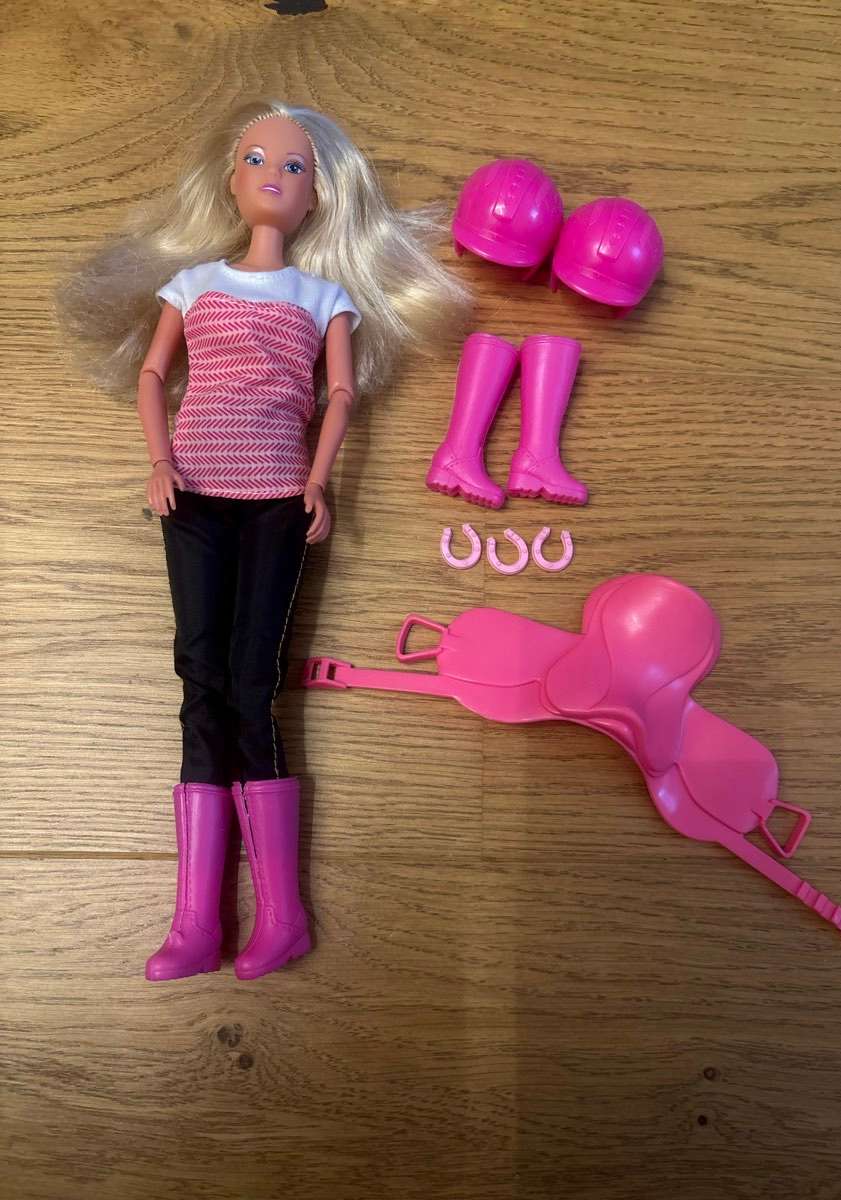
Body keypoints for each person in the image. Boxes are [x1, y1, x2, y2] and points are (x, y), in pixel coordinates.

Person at [57, 99, 469, 981]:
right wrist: (159, 459)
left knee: (255, 682)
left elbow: (340, 397)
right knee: (199, 677)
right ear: (229, 178)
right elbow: (155, 375)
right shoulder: (193, 283)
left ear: (318, 195)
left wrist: (317, 480)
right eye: (256, 159)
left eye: (293, 166)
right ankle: (194, 923)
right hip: (193, 494)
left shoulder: (325, 297)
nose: (273, 176)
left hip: (280, 497)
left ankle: (282, 918)